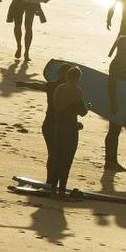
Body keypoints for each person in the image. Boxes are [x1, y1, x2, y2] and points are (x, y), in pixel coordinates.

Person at [47, 65, 89, 195]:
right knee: (67, 160)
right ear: (78, 78)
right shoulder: (77, 91)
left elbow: (57, 107)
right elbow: (82, 112)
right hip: (70, 129)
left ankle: (53, 188)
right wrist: (85, 106)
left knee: (57, 158)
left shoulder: (59, 88)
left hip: (58, 127)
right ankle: (61, 190)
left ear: (67, 76)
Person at [104, 36, 126, 171]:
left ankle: (111, 161)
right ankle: (110, 161)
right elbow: (111, 84)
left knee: (114, 131)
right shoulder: (117, 63)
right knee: (113, 131)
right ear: (121, 48)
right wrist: (113, 102)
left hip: (121, 102)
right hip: (117, 102)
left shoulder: (122, 61)